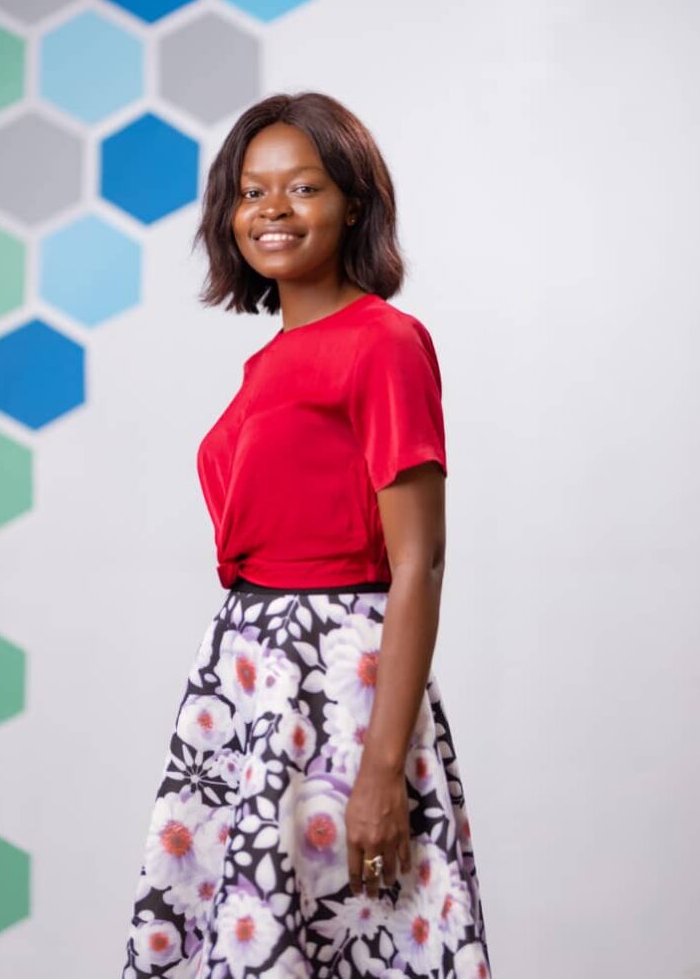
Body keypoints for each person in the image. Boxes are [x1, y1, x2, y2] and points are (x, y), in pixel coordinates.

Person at [120, 92, 491, 978]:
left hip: (340, 688)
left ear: (354, 203)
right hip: (250, 684)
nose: (272, 210)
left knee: (354, 939)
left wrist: (381, 770)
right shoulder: (268, 360)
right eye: (252, 192)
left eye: (303, 187)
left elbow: (420, 562)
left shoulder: (384, 343)